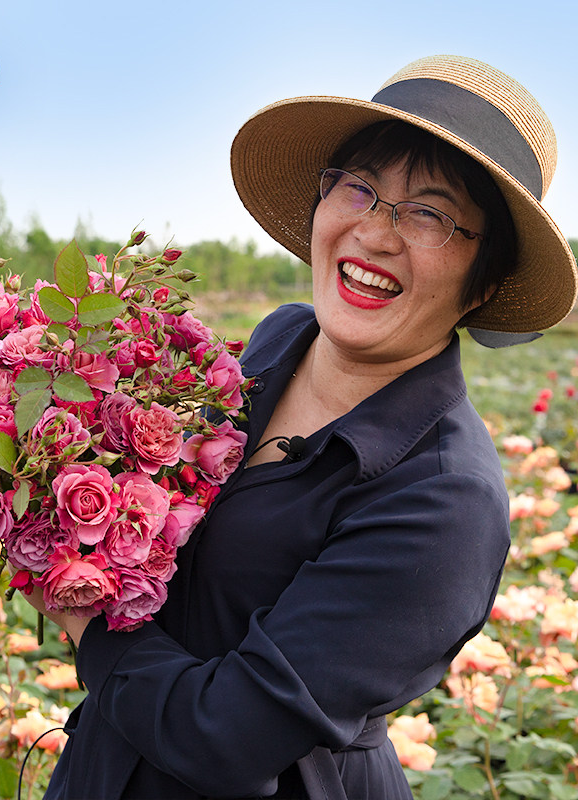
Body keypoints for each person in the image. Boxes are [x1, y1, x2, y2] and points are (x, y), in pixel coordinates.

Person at [32, 55, 578, 799]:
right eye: (360, 187)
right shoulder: (278, 343)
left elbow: (226, 737)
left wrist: (85, 621)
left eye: (430, 213)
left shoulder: (444, 500)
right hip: (107, 766)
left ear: (484, 280)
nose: (376, 233)